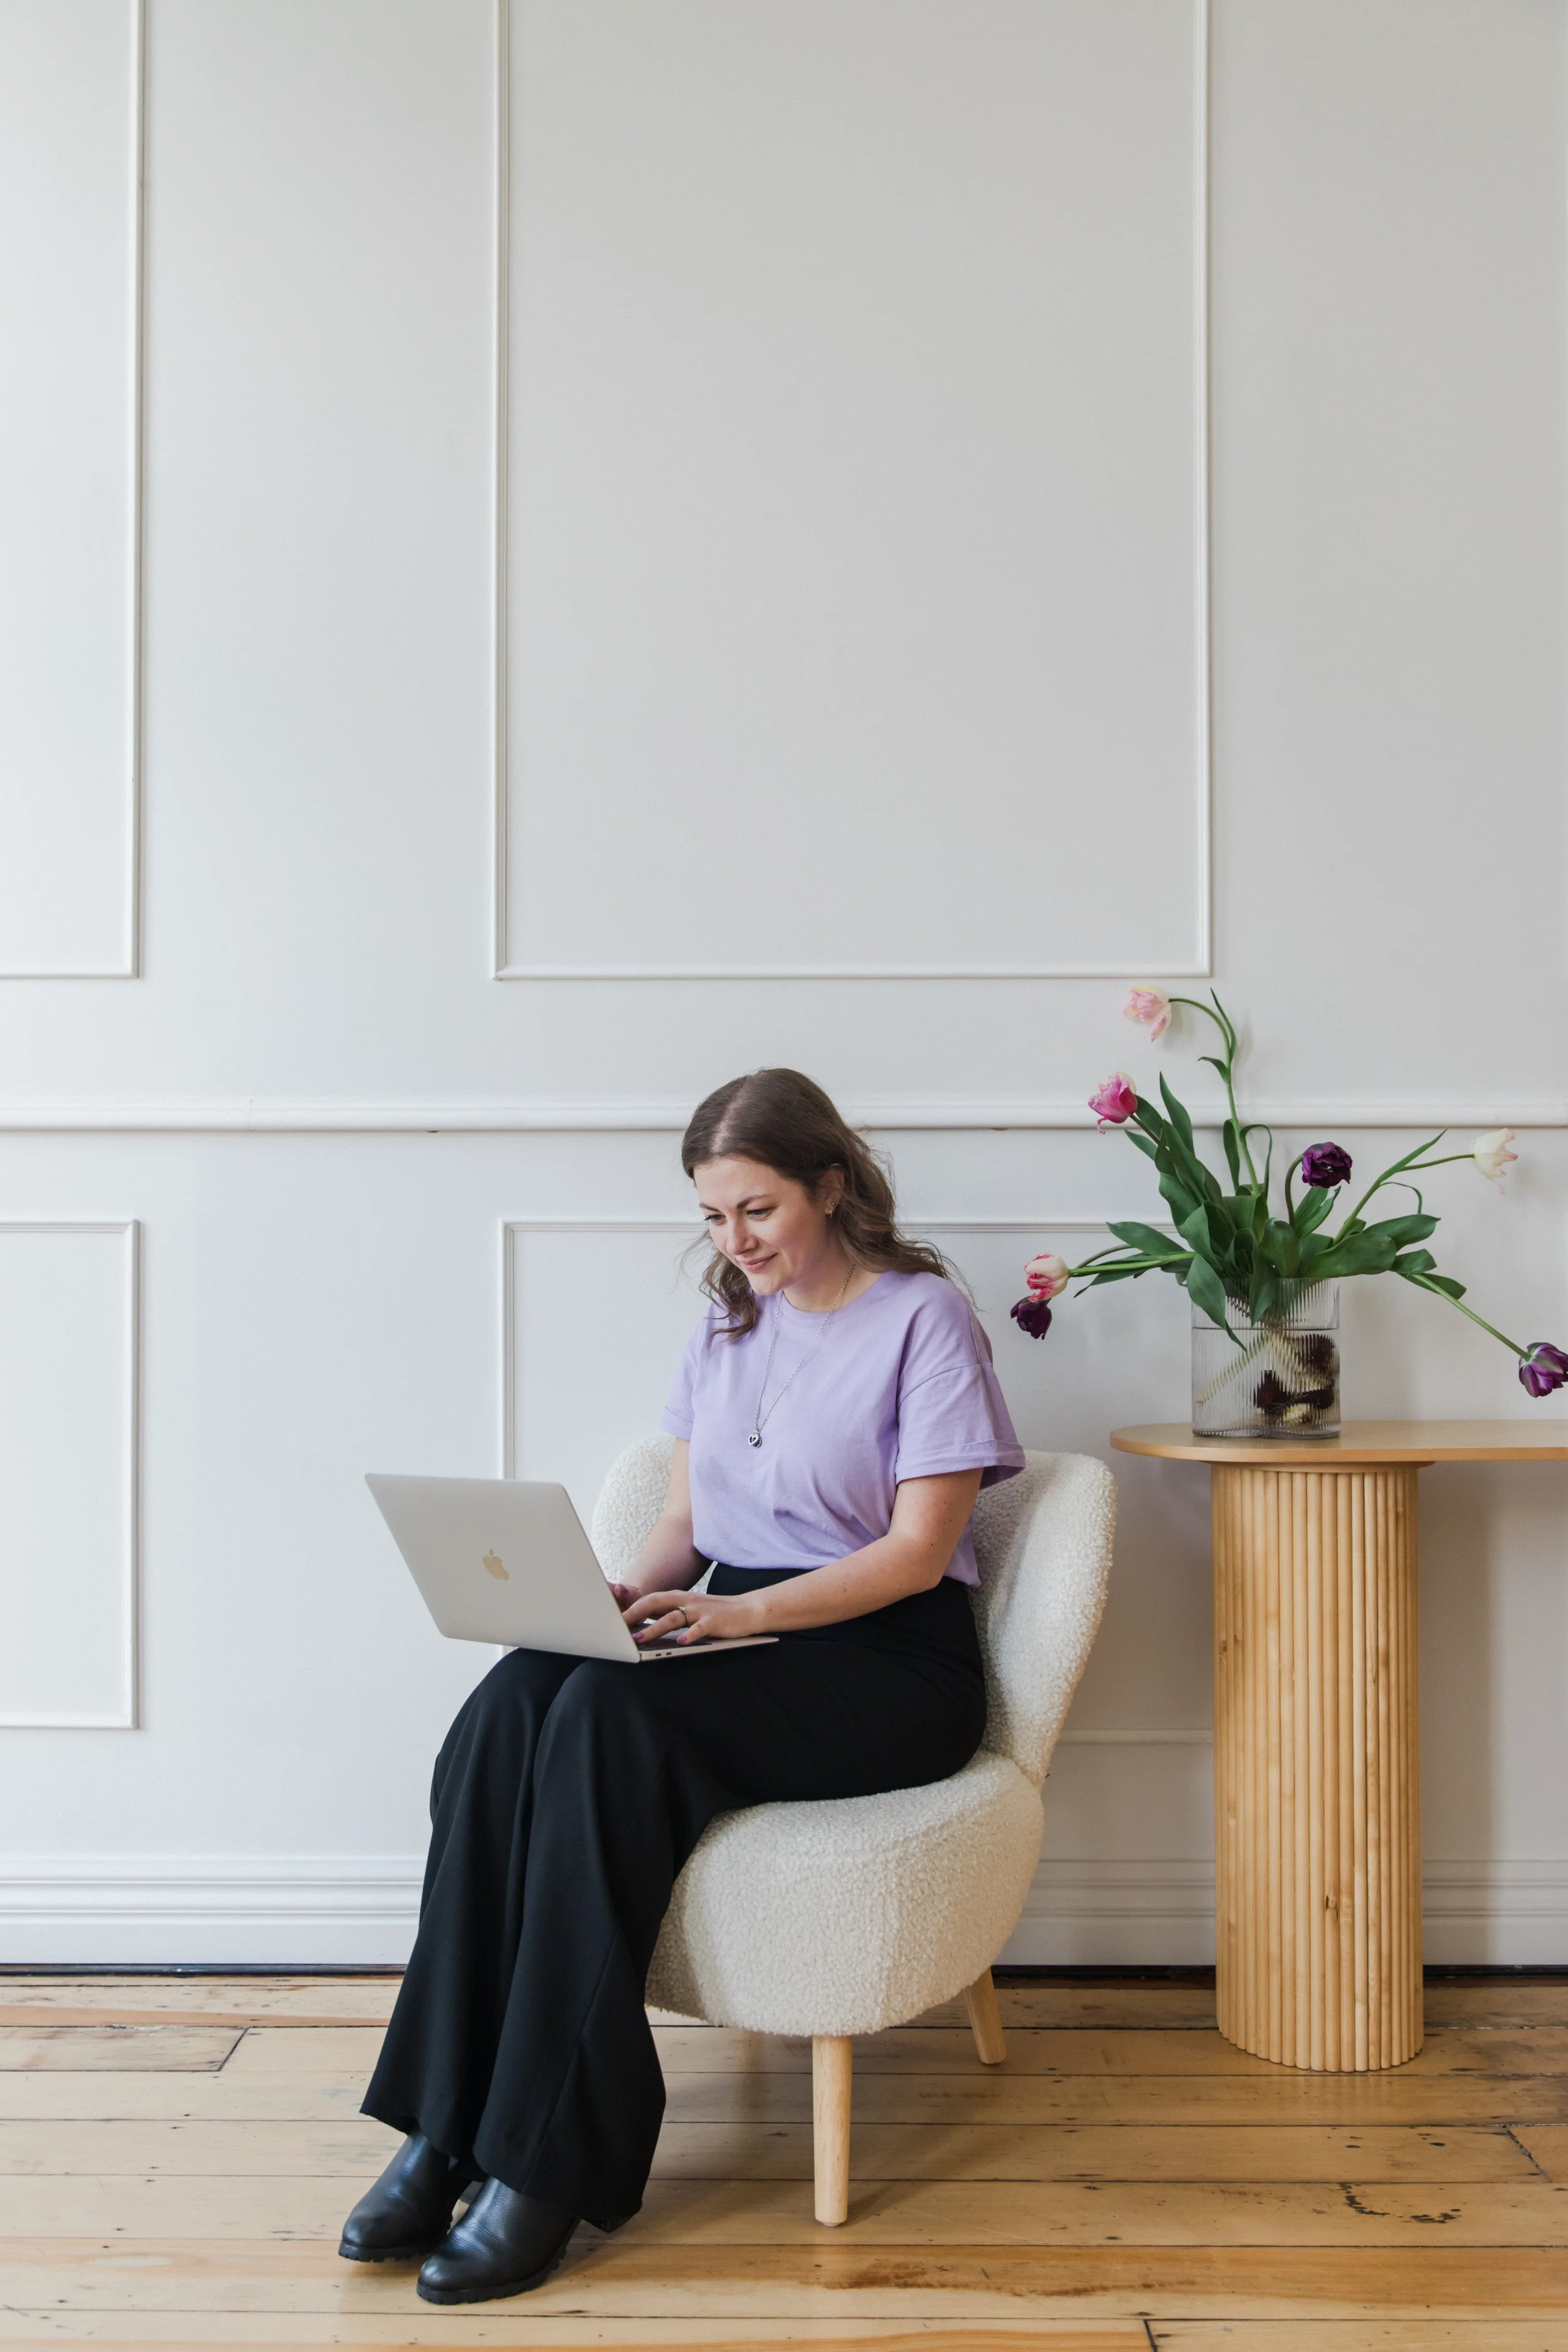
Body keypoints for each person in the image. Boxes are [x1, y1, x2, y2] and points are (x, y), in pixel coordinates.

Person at [341, 1067, 1024, 2304]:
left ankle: (545, 2159)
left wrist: (734, 1613)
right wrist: (611, 1600)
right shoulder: (726, 1327)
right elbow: (682, 1522)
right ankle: (443, 2128)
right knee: (516, 1700)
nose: (736, 1242)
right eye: (713, 1218)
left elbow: (918, 1550)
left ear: (829, 1183)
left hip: (886, 1658)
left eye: (755, 1210)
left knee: (608, 1723)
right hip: (740, 1629)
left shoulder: (923, 1319)